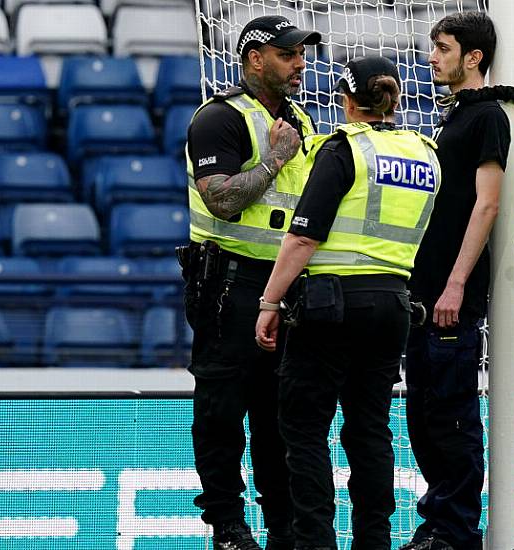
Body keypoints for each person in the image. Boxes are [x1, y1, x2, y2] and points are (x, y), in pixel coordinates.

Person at [254, 55, 441, 550]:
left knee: (304, 426)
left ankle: (315, 541)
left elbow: (303, 237)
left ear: (346, 98)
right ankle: (374, 541)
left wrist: (269, 302)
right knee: (370, 429)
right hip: (394, 304)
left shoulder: (344, 150)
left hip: (330, 303)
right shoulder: (425, 152)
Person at [181, 15, 320, 550]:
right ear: (255, 59)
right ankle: (228, 525)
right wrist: (274, 160)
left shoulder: (300, 119)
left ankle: (281, 525)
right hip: (229, 284)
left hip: (284, 287)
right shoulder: (218, 119)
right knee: (221, 409)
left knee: (278, 414)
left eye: (301, 55)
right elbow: (222, 198)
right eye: (288, 55)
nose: (300, 64)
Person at [400, 11, 510, 550]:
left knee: (452, 415)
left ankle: (457, 530)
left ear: (474, 57)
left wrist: (456, 283)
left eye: (442, 48)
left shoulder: (486, 116)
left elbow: (486, 204)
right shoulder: (454, 116)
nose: (432, 57)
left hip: (450, 295)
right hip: (422, 290)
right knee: (422, 413)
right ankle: (437, 522)